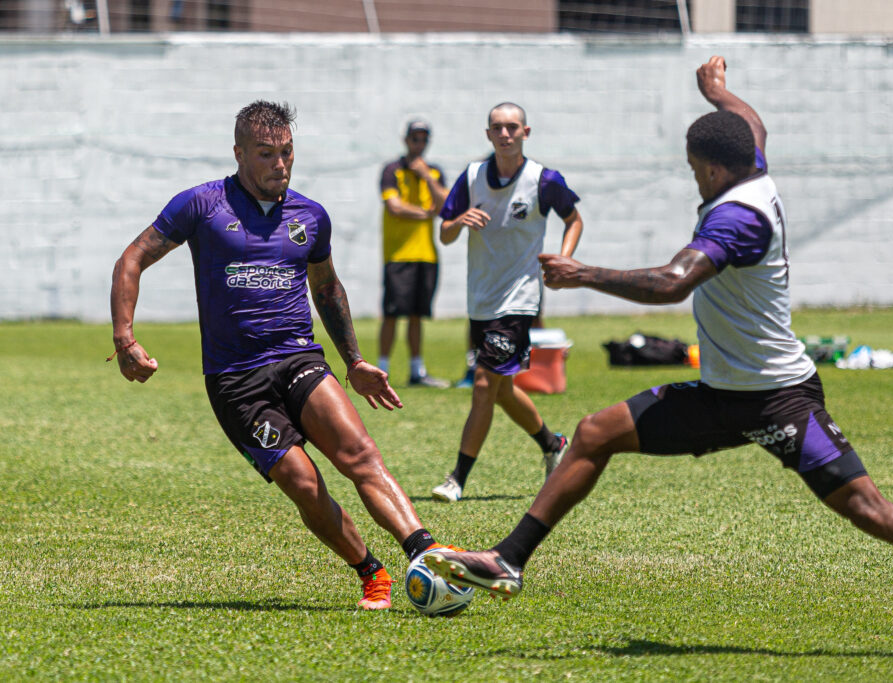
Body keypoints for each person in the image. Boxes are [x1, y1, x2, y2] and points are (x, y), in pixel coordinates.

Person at [423, 58, 893, 659]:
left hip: (778, 398)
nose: (694, 181)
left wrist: (584, 274)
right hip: (719, 396)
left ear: (713, 168)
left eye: (693, 171)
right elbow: (750, 123)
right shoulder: (750, 167)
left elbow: (670, 282)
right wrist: (719, 93)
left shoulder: (739, 217)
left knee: (868, 507)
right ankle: (509, 559)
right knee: (594, 432)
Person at [110, 100, 454, 611]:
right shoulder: (200, 205)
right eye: (267, 154)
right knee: (302, 482)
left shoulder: (311, 216)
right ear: (240, 153)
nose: (281, 164)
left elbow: (327, 288)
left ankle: (428, 554)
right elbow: (132, 257)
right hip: (234, 380)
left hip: (299, 359)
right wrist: (125, 339)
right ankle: (370, 572)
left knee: (358, 455)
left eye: (287, 152)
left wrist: (355, 360)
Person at [430, 102, 584, 502]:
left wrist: (564, 259)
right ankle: (552, 444)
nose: (505, 134)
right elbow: (444, 233)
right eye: (497, 128)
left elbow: (574, 219)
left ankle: (457, 478)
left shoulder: (543, 180)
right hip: (481, 299)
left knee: (483, 383)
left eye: (512, 127)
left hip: (520, 299)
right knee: (500, 389)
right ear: (488, 134)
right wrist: (458, 222)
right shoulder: (471, 177)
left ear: (526, 133)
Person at [378, 119, 451, 388]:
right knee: (391, 314)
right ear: (405, 140)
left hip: (426, 254)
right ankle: (382, 368)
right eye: (414, 139)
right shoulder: (392, 170)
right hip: (398, 254)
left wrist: (426, 178)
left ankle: (416, 371)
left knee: (418, 314)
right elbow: (394, 206)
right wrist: (424, 214)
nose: (419, 145)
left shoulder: (434, 172)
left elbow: (445, 206)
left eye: (423, 139)